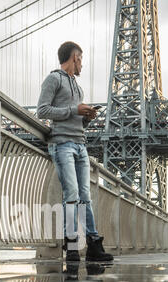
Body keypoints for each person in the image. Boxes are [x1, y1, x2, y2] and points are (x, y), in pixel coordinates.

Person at [37, 41, 113, 263]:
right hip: (62, 145)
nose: (82, 65)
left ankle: (93, 245)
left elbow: (76, 121)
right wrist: (74, 109)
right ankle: (71, 246)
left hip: (80, 146)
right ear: (74, 58)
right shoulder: (53, 79)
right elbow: (42, 109)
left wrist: (86, 118)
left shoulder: (78, 87)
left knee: (85, 198)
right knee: (71, 195)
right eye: (81, 60)